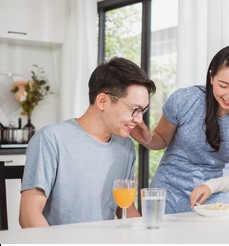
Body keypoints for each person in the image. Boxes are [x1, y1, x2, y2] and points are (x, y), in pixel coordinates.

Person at [19, 57, 156, 227]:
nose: (139, 119)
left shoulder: (125, 146)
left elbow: (125, 208)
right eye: (134, 110)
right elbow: (28, 215)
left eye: (143, 111)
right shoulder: (51, 139)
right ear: (103, 101)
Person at [130, 46, 229, 213]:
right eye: (223, 85)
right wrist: (146, 138)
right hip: (169, 192)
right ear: (211, 77)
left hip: (214, 196)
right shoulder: (185, 100)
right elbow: (161, 138)